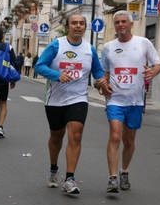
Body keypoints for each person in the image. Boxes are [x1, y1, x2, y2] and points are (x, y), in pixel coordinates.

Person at [34, 14, 109, 194]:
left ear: (85, 27)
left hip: (78, 99)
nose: (78, 26)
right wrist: (57, 75)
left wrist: (102, 82)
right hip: (55, 100)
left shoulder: (89, 49)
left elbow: (97, 71)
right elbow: (39, 66)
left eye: (81, 23)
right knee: (56, 137)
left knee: (75, 135)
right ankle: (53, 170)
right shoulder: (56, 45)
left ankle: (70, 178)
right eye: (74, 23)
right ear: (68, 26)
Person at [100, 10, 160, 193]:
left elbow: (157, 64)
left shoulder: (143, 43)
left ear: (131, 24)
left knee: (129, 141)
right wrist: (103, 86)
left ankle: (124, 172)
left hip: (135, 101)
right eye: (117, 22)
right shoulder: (108, 47)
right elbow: (105, 73)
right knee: (115, 136)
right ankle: (112, 178)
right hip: (115, 100)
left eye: (123, 22)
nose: (120, 25)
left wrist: (153, 72)